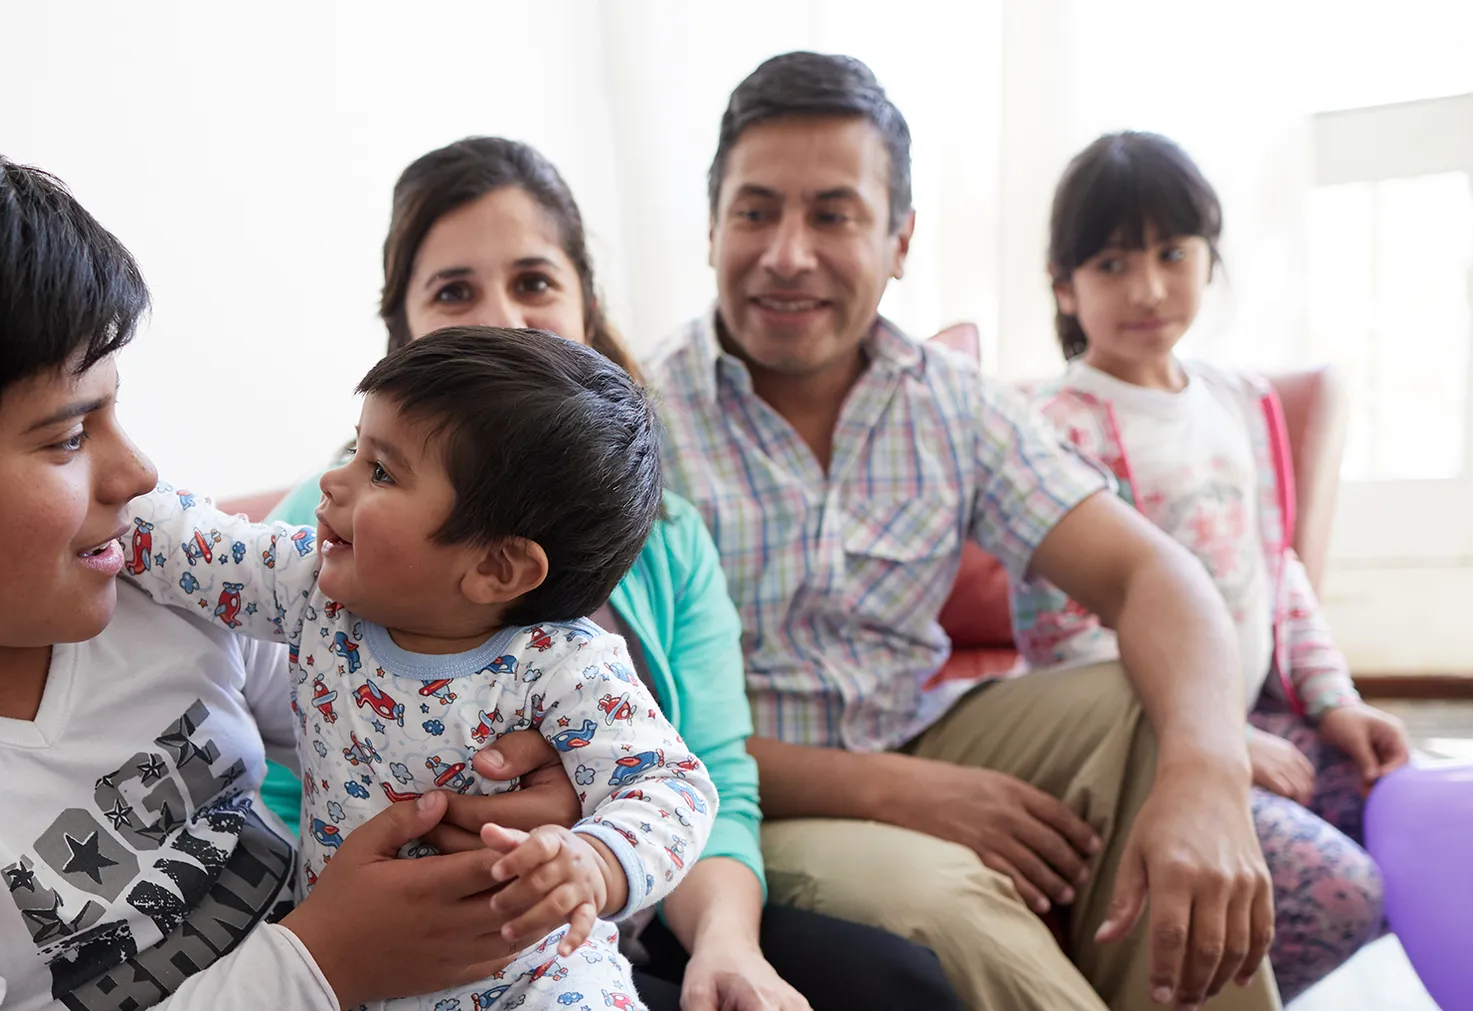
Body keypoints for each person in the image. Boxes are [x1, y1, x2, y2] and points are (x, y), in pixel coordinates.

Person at [0, 123, 589, 1011]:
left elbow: (378, 726)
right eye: (65, 437)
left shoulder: (147, 571)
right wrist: (323, 962)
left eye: (112, 409)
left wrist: (494, 797)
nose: (136, 474)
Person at [644, 53, 1283, 1011]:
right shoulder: (639, 423)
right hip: (737, 799)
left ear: (900, 239)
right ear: (710, 229)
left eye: (832, 214)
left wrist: (1210, 772)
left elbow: (1156, 575)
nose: (786, 252)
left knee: (1146, 701)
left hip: (923, 729)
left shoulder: (951, 403)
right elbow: (646, 732)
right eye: (755, 211)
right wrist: (897, 792)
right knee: (945, 901)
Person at [266, 136, 959, 1011]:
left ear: (585, 306)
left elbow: (708, 770)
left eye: (534, 282)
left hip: (623, 915)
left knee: (903, 984)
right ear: (403, 333)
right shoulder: (324, 531)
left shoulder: (665, 534)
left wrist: (725, 946)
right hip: (407, 943)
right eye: (453, 292)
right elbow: (273, 779)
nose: (500, 320)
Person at [122, 326, 718, 1011]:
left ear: (497, 567)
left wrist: (598, 860)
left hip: (530, 976)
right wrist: (94, 491)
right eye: (355, 447)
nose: (331, 480)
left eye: (381, 470)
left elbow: (674, 785)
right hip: (360, 974)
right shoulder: (313, 586)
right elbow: (191, 543)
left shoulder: (567, 666)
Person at [1013, 131, 1406, 1000]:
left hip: (1260, 720)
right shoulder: (1051, 425)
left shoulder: (1245, 402)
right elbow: (1062, 641)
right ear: (1064, 285)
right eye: (1112, 263)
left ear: (1209, 257)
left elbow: (1281, 578)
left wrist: (1337, 702)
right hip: (1152, 741)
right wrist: (1218, 742)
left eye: (1171, 252)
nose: (1148, 287)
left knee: (1397, 790)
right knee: (1343, 892)